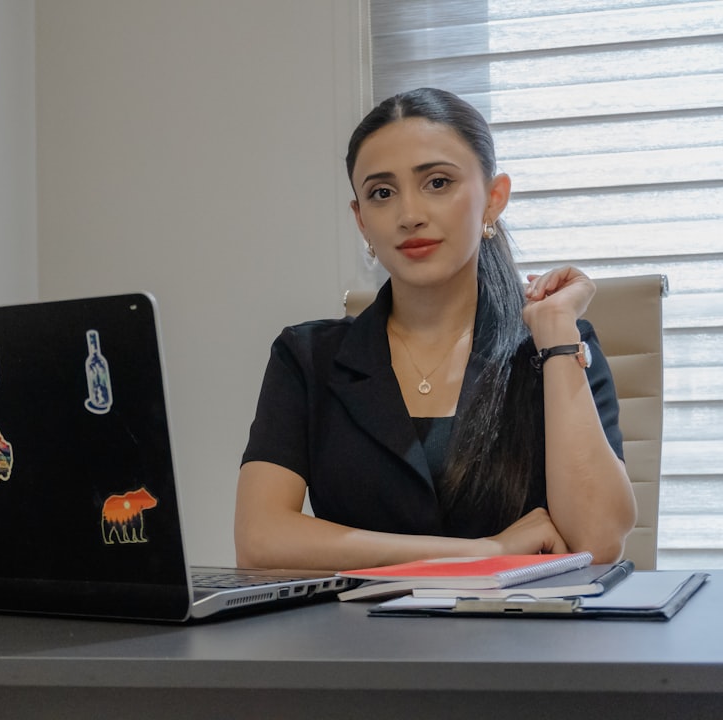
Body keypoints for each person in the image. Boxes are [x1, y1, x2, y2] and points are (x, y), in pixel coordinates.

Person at [235, 88, 636, 571]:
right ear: (361, 220)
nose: (409, 215)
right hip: (357, 641)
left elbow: (598, 543)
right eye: (382, 193)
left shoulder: (556, 346)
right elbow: (259, 540)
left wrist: (555, 334)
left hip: (522, 639)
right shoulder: (305, 357)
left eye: (438, 182)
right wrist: (481, 554)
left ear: (494, 198)